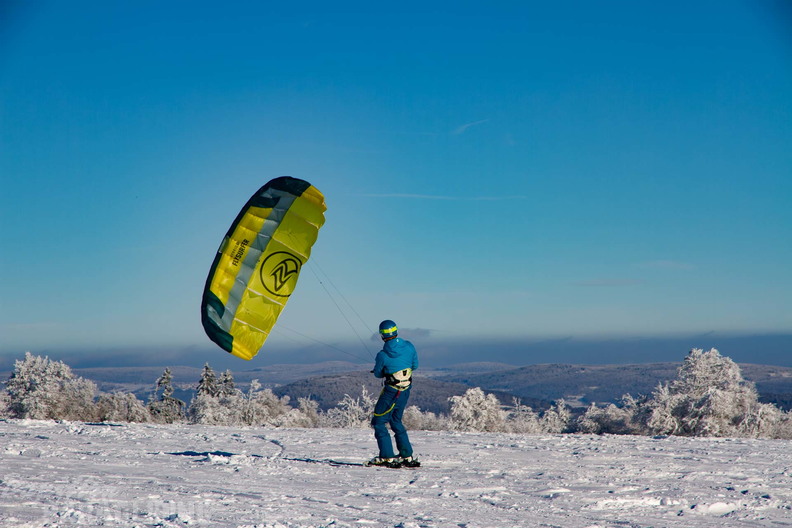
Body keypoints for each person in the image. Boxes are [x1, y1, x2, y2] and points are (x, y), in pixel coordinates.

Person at [366, 320, 421, 468]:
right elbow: (414, 365)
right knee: (396, 421)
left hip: (391, 390)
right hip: (406, 389)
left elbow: (378, 374)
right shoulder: (409, 346)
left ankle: (387, 457)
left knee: (378, 422)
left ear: (382, 335)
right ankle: (407, 455)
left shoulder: (382, 355)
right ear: (396, 331)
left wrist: (385, 371)